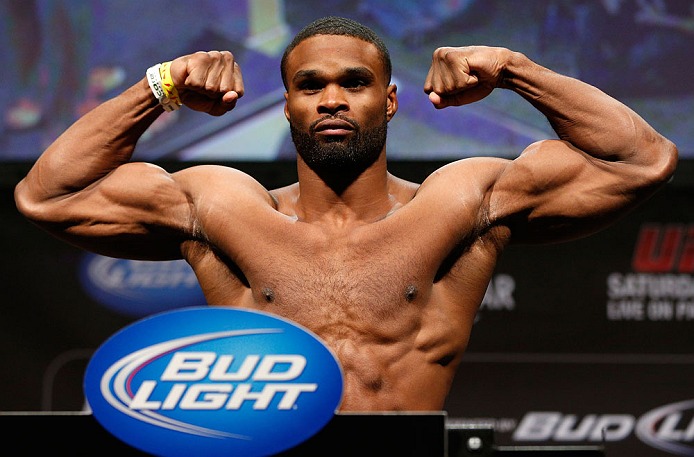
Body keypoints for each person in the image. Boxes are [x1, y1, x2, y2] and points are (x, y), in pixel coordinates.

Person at [14, 16, 677, 411]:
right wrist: (159, 88)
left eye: (354, 83)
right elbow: (48, 195)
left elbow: (641, 161)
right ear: (287, 106)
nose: (332, 99)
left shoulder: (459, 201)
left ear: (389, 101)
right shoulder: (221, 206)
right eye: (310, 86)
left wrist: (513, 69)